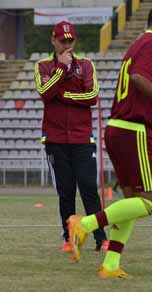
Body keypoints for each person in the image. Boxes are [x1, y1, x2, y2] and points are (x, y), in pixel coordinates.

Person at [67, 2, 152, 278]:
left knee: (131, 201)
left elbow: (133, 89)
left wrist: (151, 132)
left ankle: (110, 265)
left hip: (122, 127)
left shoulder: (138, 45)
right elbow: (139, 78)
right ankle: (84, 224)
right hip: (131, 130)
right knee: (150, 201)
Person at [34, 21, 108, 253]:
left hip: (82, 138)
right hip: (55, 138)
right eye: (62, 40)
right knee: (66, 191)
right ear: (53, 41)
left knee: (88, 188)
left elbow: (92, 96)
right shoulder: (43, 66)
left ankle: (101, 238)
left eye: (71, 40)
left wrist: (62, 94)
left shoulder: (86, 65)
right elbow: (45, 94)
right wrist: (61, 70)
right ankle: (69, 238)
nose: (67, 45)